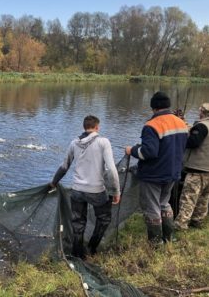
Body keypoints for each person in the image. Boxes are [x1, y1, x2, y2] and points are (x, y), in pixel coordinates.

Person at [50, 115, 120, 258]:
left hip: (77, 191)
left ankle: (77, 253)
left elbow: (64, 167)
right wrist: (116, 191)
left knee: (78, 223)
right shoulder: (103, 142)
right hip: (97, 191)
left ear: (84, 127)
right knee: (104, 219)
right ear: (97, 127)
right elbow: (111, 170)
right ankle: (91, 248)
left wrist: (54, 182)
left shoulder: (74, 143)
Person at [126, 91, 188, 245]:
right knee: (164, 204)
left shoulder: (151, 125)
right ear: (168, 105)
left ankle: (155, 243)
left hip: (154, 174)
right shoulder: (181, 123)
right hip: (173, 172)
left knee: (152, 207)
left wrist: (132, 150)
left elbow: (149, 152)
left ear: (153, 107)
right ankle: (169, 238)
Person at [174, 103, 209, 230]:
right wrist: (184, 123)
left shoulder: (202, 126)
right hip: (207, 170)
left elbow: (193, 141)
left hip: (196, 170)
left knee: (188, 198)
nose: (199, 113)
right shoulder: (202, 127)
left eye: (200, 111)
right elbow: (196, 133)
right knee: (203, 198)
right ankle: (197, 221)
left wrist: (180, 136)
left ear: (203, 113)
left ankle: (180, 225)